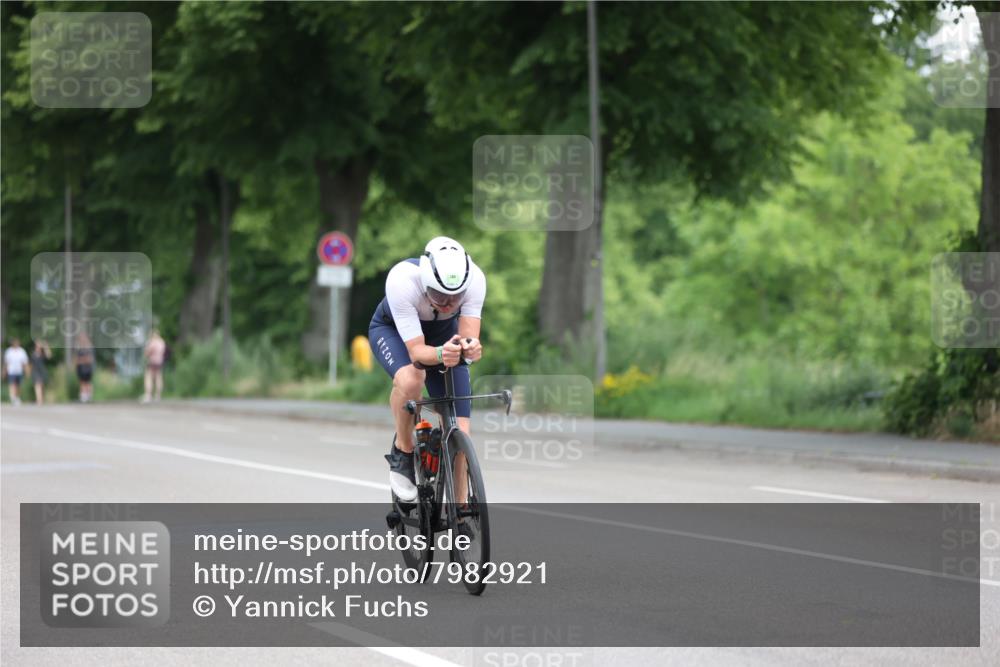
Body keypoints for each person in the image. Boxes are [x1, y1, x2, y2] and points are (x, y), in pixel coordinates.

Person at [368, 236, 485, 502]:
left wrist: (471, 349)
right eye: (438, 295)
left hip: (443, 338)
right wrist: (445, 352)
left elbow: (466, 338)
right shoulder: (401, 280)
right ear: (425, 281)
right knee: (412, 380)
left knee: (461, 432)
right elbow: (418, 353)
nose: (446, 304)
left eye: (455, 297)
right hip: (396, 334)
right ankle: (404, 451)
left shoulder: (475, 280)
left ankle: (462, 509)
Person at [3, 338, 30, 406]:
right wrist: (4, 371)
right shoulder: (9, 351)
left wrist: (27, 371)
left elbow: (25, 362)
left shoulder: (22, 351)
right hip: (11, 371)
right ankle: (13, 397)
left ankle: (17, 397)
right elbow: (6, 363)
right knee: (12, 384)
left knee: (18, 385)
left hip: (19, 371)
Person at [143, 329, 166, 403]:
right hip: (160, 362)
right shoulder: (162, 342)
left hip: (152, 361)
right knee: (159, 378)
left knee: (148, 378)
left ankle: (148, 395)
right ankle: (158, 395)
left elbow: (147, 352)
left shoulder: (152, 342)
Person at [75, 332, 95, 403]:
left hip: (87, 369)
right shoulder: (79, 348)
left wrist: (81, 360)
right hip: (80, 369)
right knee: (82, 382)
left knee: (87, 382)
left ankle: (88, 397)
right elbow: (76, 360)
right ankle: (83, 398)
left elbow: (89, 359)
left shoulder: (88, 347)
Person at [30, 339, 51, 405]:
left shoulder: (43, 354)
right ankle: (39, 400)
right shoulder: (33, 354)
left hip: (42, 371)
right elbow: (30, 364)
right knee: (37, 385)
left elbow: (49, 356)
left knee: (41, 385)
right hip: (35, 371)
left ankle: (41, 399)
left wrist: (46, 347)